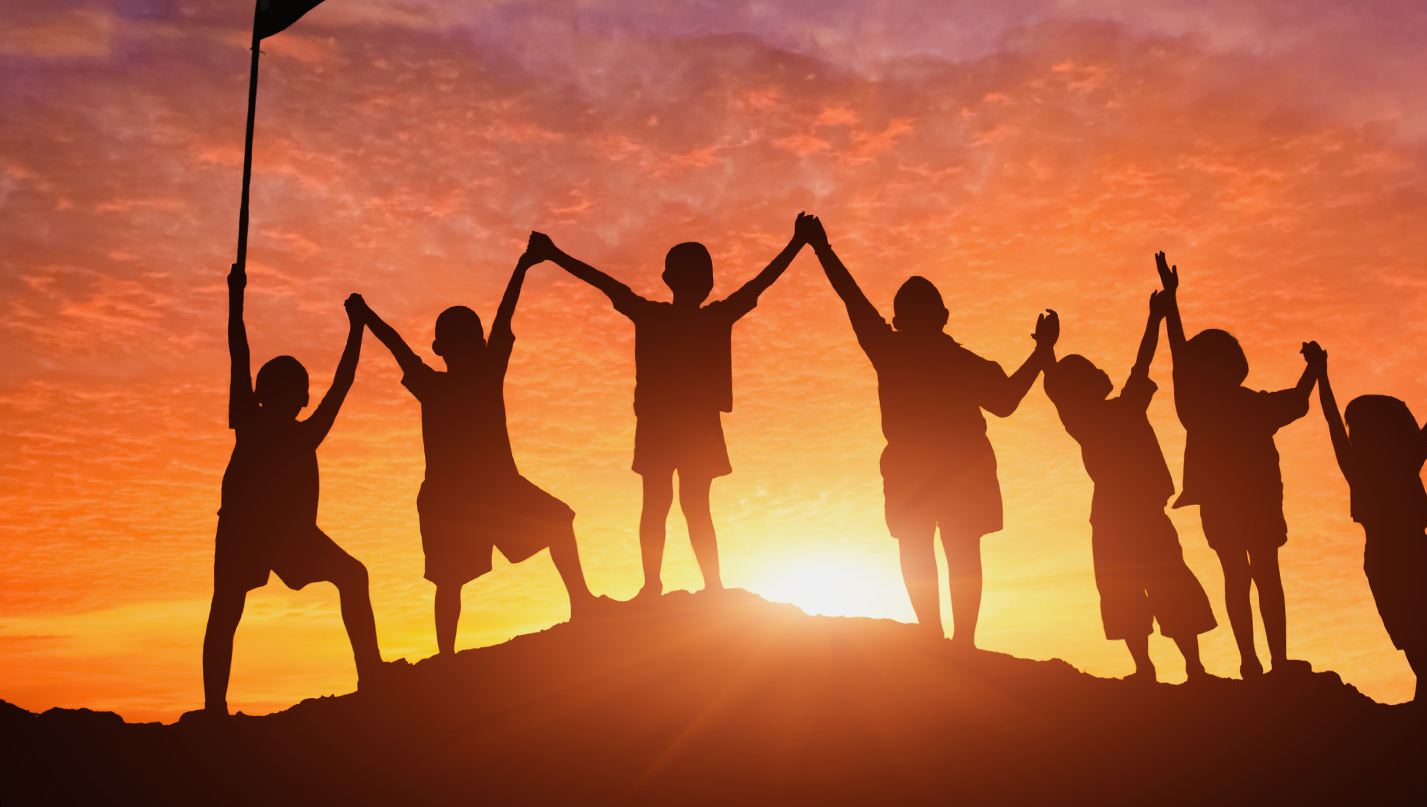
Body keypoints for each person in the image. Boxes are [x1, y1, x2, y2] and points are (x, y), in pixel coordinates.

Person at [801, 214, 1057, 648]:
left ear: (899, 318)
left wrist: (822, 249)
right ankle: (960, 642)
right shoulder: (958, 362)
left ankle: (935, 636)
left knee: (920, 546)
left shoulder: (891, 349)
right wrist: (1041, 351)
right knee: (958, 549)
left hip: (922, 466)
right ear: (943, 317)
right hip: (955, 466)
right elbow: (1007, 401)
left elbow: (852, 298)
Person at [530, 216, 810, 596]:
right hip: (682, 428)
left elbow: (604, 283)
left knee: (662, 504)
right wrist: (796, 243)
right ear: (705, 282)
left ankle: (668, 585)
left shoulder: (657, 316)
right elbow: (758, 284)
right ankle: (696, 585)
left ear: (668, 279)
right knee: (684, 505)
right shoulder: (702, 316)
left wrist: (554, 253)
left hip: (674, 428)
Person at [355, 238, 608, 655]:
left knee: (551, 525)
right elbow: (498, 318)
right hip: (456, 497)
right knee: (451, 579)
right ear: (450, 347)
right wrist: (522, 266)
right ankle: (449, 654)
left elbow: (401, 346)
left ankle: (578, 604)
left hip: (482, 490)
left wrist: (366, 316)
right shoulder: (461, 378)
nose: (471, 344)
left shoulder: (451, 380)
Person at [200, 264, 384, 717]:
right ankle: (371, 676)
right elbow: (339, 384)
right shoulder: (286, 428)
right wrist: (356, 328)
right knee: (228, 609)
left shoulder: (255, 420)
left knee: (226, 610)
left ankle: (215, 708)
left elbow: (239, 350)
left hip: (274, 534)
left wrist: (236, 296)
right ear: (299, 398)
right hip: (251, 532)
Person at [1042, 290, 1216, 683]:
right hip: (1133, 516)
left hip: (1117, 517)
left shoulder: (1090, 419)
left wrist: (1049, 350)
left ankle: (1157, 668)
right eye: (1091, 370)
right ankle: (1183, 668)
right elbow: (1139, 362)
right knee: (1158, 585)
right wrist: (1155, 318)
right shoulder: (1116, 410)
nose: (1100, 371)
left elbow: (1063, 385)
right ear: (1086, 385)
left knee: (1135, 589)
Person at [1156, 252, 1314, 680]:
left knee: (1237, 578)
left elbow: (1179, 357)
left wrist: (1172, 303)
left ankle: (1252, 662)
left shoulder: (1197, 408)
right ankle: (1275, 661)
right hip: (1256, 503)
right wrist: (1314, 370)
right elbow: (1297, 401)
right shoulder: (1246, 406)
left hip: (1224, 506)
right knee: (1265, 576)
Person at [1303, 340, 1427, 704]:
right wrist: (1320, 374)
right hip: (1393, 555)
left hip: (1404, 553)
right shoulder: (1372, 466)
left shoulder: (1388, 463)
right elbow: (1334, 420)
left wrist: (1321, 373)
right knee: (1412, 621)